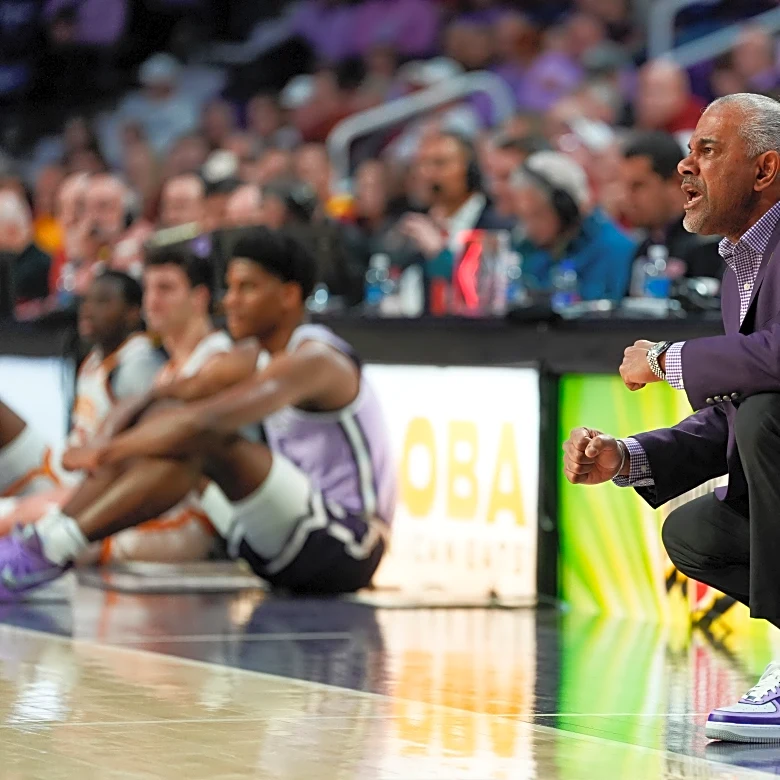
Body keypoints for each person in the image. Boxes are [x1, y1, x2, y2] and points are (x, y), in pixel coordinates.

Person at [0, 228, 395, 595]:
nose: (230, 301)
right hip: (280, 545)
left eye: (247, 288)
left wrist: (105, 452)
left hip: (350, 546)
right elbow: (169, 394)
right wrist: (120, 426)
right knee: (168, 418)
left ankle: (56, 546)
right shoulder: (254, 356)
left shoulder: (316, 359)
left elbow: (207, 422)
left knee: (202, 439)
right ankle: (47, 537)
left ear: (289, 295)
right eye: (230, 288)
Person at [561, 93, 780, 743]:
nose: (686, 166)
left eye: (707, 151)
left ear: (766, 169)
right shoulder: (744, 261)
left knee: (769, 417)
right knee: (697, 532)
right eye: (688, 151)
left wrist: (666, 359)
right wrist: (629, 456)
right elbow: (740, 403)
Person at [0, 271, 164, 528]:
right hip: (64, 464)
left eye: (103, 301)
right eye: (86, 300)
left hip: (91, 484)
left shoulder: (137, 364)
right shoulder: (96, 356)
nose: (87, 310)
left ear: (132, 313)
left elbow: (143, 458)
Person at [510, 150, 636, 301]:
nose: (529, 228)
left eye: (538, 215)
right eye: (524, 217)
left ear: (566, 208)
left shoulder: (614, 250)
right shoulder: (532, 249)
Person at [620, 130, 723, 283]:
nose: (627, 197)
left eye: (638, 186)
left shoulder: (708, 246)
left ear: (675, 183)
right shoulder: (642, 249)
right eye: (625, 187)